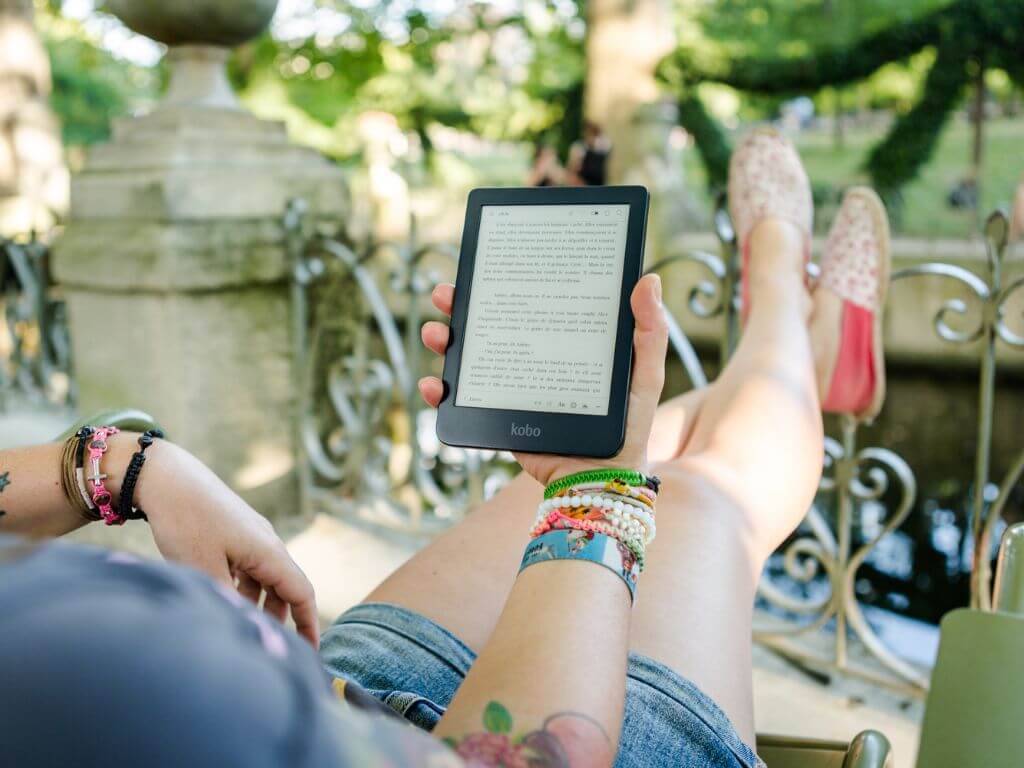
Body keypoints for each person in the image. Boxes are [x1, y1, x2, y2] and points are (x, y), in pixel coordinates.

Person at [0, 129, 890, 767]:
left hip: (344, 685)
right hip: (515, 743)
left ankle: (801, 348)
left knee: (655, 434)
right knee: (698, 497)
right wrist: (594, 495)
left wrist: (125, 466)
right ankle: (783, 302)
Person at [566, 121, 611, 186]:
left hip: (597, 182)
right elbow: (571, 168)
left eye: (592, 133)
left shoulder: (602, 146)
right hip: (579, 181)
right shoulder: (577, 147)